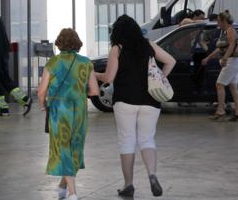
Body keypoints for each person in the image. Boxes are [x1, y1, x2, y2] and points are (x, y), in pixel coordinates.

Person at [95, 15, 176, 198]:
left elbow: (108, 78)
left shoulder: (117, 49)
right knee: (147, 139)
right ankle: (152, 175)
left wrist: (94, 74)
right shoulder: (148, 44)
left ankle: (128, 185)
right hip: (150, 100)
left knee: (127, 141)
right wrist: (161, 78)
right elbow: (171, 61)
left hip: (125, 100)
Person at [37, 28, 99, 200]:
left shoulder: (53, 63)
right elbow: (94, 91)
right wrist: (78, 92)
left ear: (59, 43)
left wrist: (43, 104)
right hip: (79, 110)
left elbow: (41, 91)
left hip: (59, 110)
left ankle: (72, 192)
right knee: (75, 148)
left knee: (63, 147)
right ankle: (64, 186)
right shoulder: (86, 63)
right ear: (77, 44)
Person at [201, 10, 238, 122]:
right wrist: (208, 58)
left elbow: (231, 46)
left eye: (219, 21)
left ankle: (220, 110)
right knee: (233, 87)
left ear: (224, 21)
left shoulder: (230, 31)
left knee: (219, 84)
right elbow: (220, 48)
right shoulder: (226, 31)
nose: (217, 23)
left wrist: (224, 58)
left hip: (232, 62)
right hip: (235, 61)